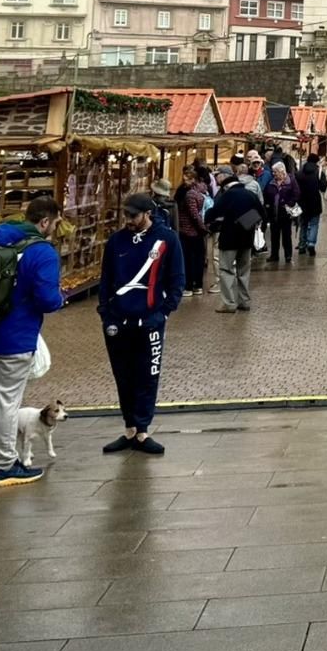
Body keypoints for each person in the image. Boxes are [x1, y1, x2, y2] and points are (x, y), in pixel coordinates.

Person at [0, 195, 63, 488]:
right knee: (6, 403)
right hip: (14, 337)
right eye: (54, 223)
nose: (54, 228)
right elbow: (46, 299)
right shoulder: (42, 252)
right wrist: (60, 298)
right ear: (44, 222)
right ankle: (5, 466)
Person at [97, 193, 185, 456]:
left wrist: (162, 313)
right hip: (118, 321)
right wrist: (106, 313)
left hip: (150, 321)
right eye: (126, 215)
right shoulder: (116, 241)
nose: (129, 221)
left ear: (147, 213)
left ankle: (143, 429)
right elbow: (106, 279)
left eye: (134, 216)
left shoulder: (167, 239)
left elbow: (177, 279)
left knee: (147, 375)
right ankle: (130, 428)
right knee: (123, 376)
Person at [206, 162, 264, 312]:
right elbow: (263, 214)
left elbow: (212, 214)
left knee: (226, 270)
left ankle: (229, 303)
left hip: (229, 239)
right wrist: (246, 224)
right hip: (246, 239)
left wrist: (220, 223)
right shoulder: (250, 195)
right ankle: (244, 301)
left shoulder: (227, 196)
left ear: (226, 184)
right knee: (244, 271)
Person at [174, 163, 210, 295]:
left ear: (193, 179)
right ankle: (196, 285)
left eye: (188, 179)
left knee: (190, 259)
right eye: (184, 179)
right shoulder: (198, 192)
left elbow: (194, 215)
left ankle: (191, 286)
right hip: (193, 231)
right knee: (196, 259)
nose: (185, 181)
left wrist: (202, 229)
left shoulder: (189, 195)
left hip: (190, 231)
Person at [264, 162, 299, 266]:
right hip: (274, 214)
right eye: (273, 172)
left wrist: (289, 204)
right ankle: (274, 255)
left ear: (281, 171)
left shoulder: (291, 181)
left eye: (275, 172)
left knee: (286, 236)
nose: (273, 174)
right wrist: (268, 205)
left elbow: (296, 194)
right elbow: (266, 194)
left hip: (286, 213)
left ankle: (288, 255)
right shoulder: (271, 182)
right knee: (274, 236)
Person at [296, 151, 325, 257]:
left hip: (302, 202)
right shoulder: (319, 171)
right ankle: (311, 243)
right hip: (315, 201)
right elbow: (323, 187)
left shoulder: (299, 172)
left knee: (303, 224)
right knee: (314, 224)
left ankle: (302, 245)